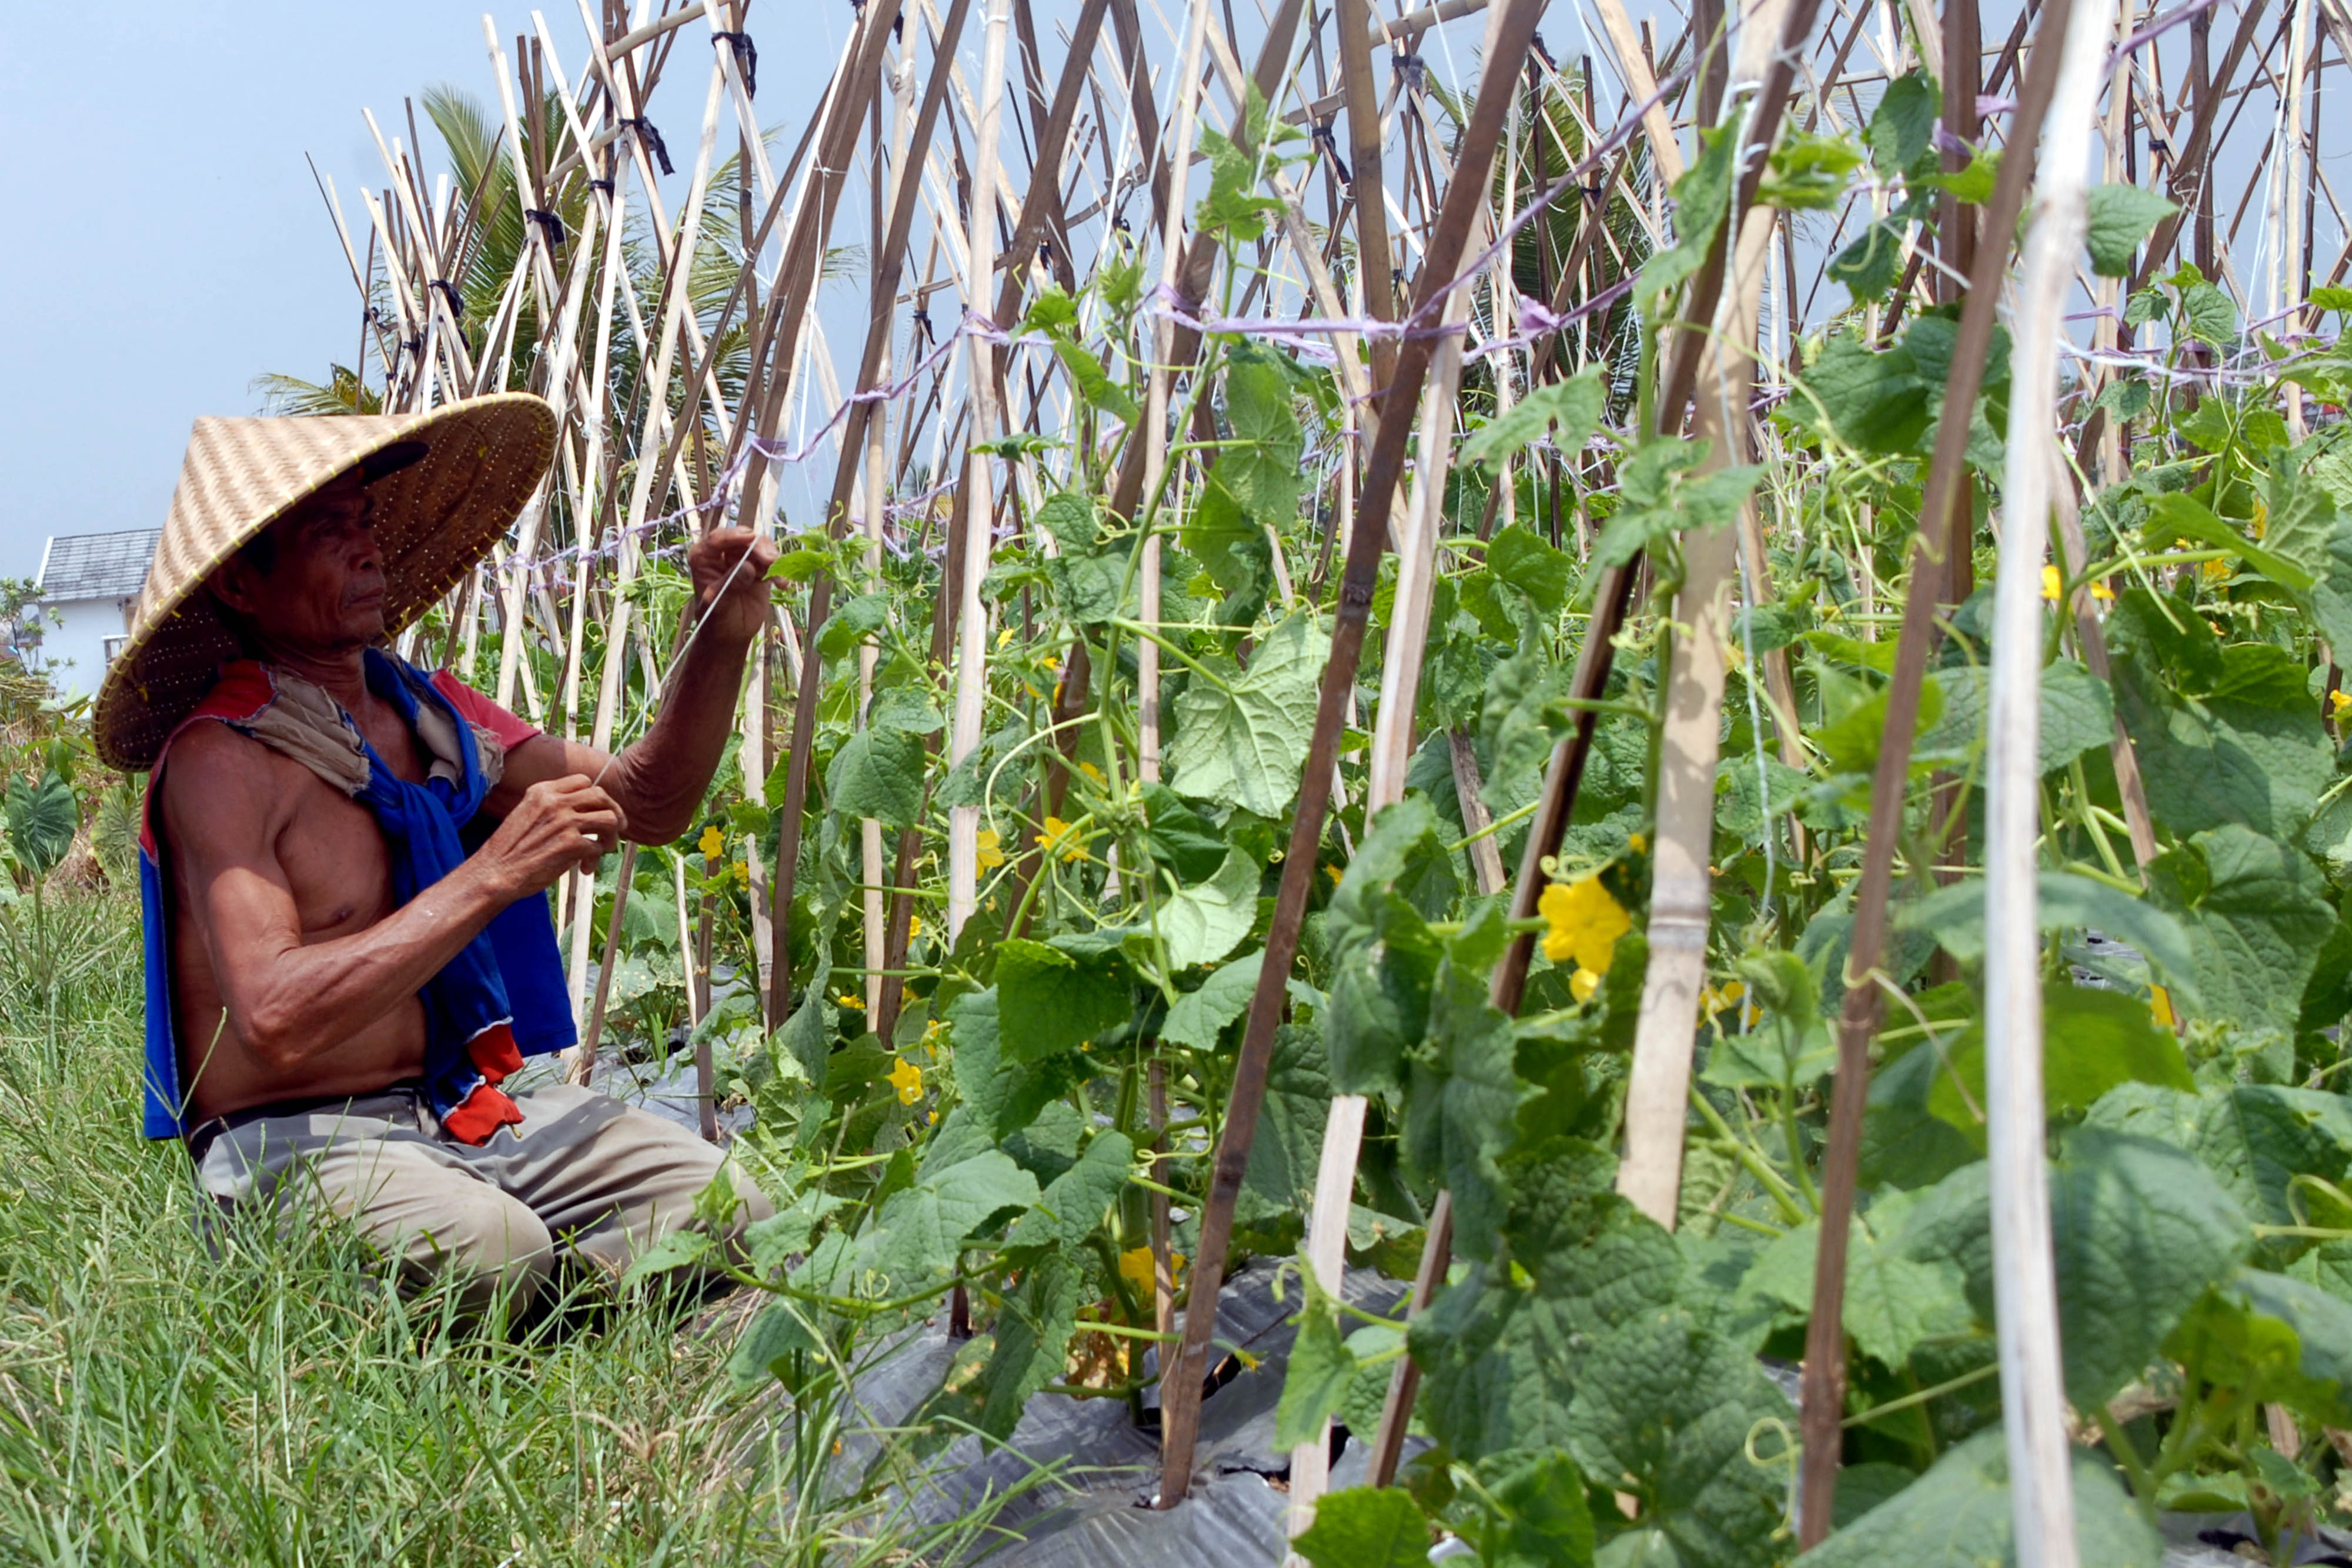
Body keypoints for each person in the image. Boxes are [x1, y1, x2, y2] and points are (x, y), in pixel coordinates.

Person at [93, 394, 777, 1317]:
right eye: (328, 532)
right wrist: (493, 874)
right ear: (239, 586)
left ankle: (529, 1287)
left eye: (366, 523)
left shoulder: (435, 720)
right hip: (297, 1139)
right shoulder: (224, 759)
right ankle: (502, 1277)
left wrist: (719, 637)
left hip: (458, 1106)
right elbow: (275, 1018)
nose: (368, 549)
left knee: (734, 1205)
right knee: (495, 1252)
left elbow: (648, 803)